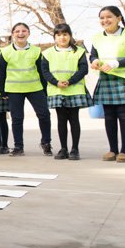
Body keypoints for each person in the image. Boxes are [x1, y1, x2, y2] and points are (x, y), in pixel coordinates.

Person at [89, 6, 125, 163]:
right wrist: (94, 61)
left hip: (124, 79)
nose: (105, 20)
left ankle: (124, 151)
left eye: (109, 17)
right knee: (109, 116)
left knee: (124, 115)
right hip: (106, 79)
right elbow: (93, 55)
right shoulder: (97, 37)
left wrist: (115, 63)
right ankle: (112, 150)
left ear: (118, 18)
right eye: (102, 18)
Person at [0, 22, 52, 157]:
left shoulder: (36, 51)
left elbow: (42, 71)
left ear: (29, 33)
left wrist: (45, 90)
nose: (20, 34)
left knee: (44, 115)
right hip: (14, 89)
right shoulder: (5, 52)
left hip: (35, 88)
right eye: (17, 31)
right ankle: (18, 146)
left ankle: (46, 143)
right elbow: (1, 73)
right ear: (13, 34)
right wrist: (2, 91)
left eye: (24, 31)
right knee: (17, 118)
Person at [40, 24, 91, 160]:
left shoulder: (79, 51)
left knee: (74, 119)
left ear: (70, 35)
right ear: (55, 37)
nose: (62, 37)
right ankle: (63, 149)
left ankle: (75, 149)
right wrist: (56, 82)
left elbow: (83, 69)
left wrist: (70, 81)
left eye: (65, 34)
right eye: (59, 35)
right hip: (56, 90)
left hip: (74, 90)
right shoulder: (47, 53)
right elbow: (44, 71)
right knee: (61, 120)